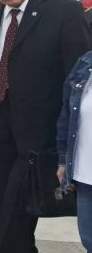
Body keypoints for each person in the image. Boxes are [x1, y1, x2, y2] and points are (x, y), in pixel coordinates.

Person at [0, 0, 91, 252]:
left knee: (18, 195)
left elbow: (76, 73)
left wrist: (66, 133)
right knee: (5, 194)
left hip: (40, 127)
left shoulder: (64, 11)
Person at [57, 50, 92, 252]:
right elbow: (67, 116)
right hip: (84, 174)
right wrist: (63, 160)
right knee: (88, 239)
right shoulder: (84, 63)